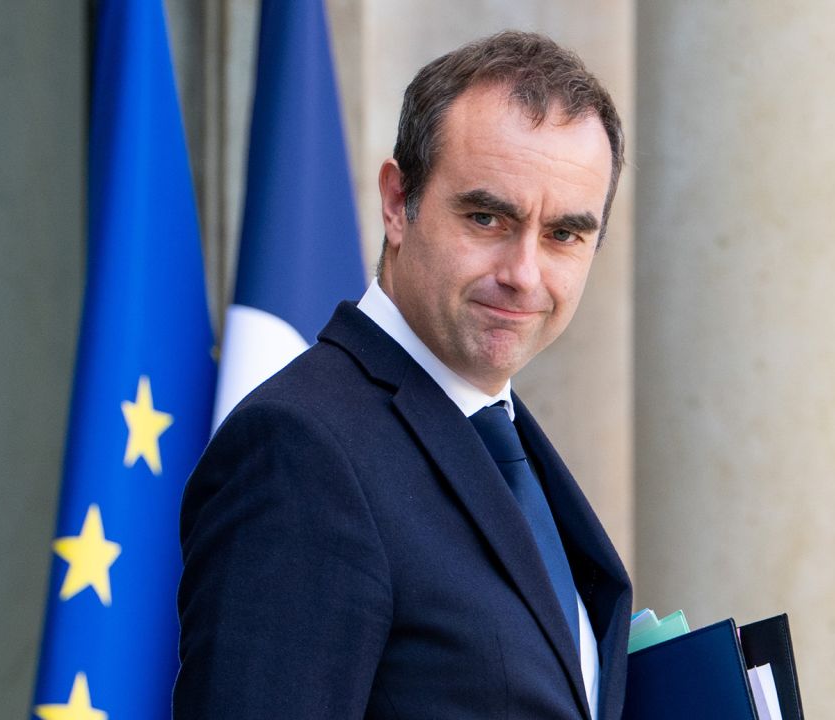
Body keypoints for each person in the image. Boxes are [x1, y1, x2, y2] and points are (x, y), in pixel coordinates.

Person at [174, 31, 631, 719]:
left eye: (564, 234)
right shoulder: (299, 451)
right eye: (486, 217)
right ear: (397, 203)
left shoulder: (503, 439)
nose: (524, 275)